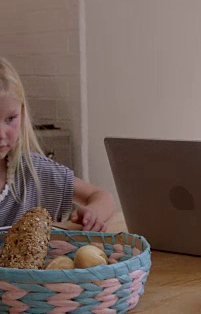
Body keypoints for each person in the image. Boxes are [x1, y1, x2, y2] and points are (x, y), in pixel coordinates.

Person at [0, 57, 115, 231]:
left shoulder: (32, 170)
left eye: (10, 119)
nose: (1, 134)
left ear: (22, 114)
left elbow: (102, 197)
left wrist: (93, 213)